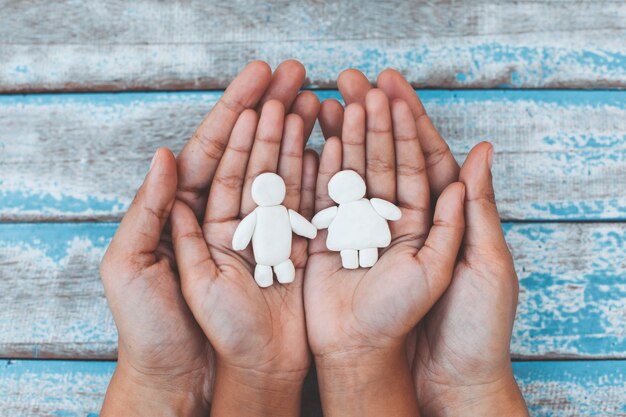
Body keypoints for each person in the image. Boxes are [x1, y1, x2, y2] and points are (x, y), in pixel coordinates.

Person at [99, 60, 529, 416]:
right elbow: (311, 224)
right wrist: (475, 391)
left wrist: (153, 387)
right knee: (290, 262)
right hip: (309, 248)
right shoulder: (289, 212)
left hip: (333, 242)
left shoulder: (320, 208)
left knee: (307, 260)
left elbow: (319, 223)